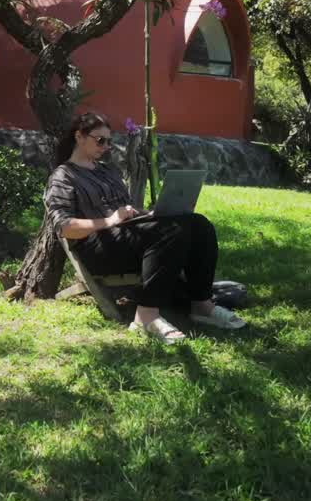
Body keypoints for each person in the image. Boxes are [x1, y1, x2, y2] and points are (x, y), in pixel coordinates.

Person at [43, 111, 246, 343]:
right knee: (168, 231)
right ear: (79, 137)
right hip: (97, 248)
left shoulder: (106, 171)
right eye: (100, 140)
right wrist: (109, 221)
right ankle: (145, 317)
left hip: (126, 236)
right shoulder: (63, 176)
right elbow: (65, 227)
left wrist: (147, 214)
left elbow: (123, 210)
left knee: (199, 224)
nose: (106, 146)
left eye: (109, 141)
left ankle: (202, 305)